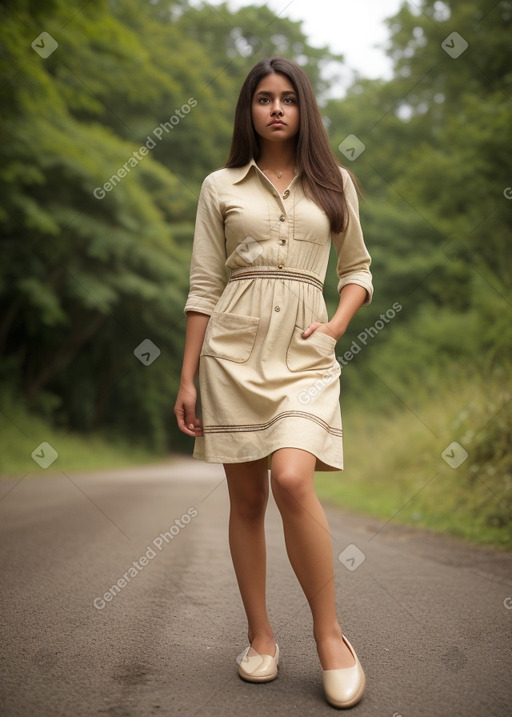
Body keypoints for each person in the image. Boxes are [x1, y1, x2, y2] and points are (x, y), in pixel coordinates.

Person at [174, 56, 373, 709]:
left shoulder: (334, 182)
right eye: (264, 98)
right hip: (231, 353)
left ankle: (331, 639)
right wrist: (187, 379)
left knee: (291, 476)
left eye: (288, 97)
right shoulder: (219, 184)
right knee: (248, 501)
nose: (277, 108)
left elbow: (359, 271)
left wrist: (337, 326)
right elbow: (204, 285)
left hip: (306, 352)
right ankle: (261, 638)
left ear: (303, 106)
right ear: (249, 109)